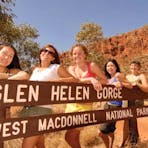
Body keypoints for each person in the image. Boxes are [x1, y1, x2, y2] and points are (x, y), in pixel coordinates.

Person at [21, 44, 76, 148]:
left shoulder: (55, 68)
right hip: (27, 109)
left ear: (53, 58)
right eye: (44, 50)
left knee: (26, 145)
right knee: (39, 143)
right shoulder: (35, 70)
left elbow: (74, 80)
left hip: (42, 110)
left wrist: (55, 81)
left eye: (50, 52)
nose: (46, 53)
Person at [65, 44, 107, 148]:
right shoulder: (71, 69)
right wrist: (90, 79)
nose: (77, 55)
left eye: (79, 53)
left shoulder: (91, 66)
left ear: (85, 54)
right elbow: (75, 81)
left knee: (69, 136)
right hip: (71, 105)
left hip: (86, 106)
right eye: (74, 53)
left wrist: (95, 79)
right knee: (75, 135)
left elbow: (105, 80)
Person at [98, 59, 132, 148]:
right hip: (107, 105)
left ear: (116, 67)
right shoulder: (108, 78)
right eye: (108, 66)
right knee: (110, 131)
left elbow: (130, 85)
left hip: (115, 106)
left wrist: (122, 84)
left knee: (101, 132)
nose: (109, 67)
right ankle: (111, 145)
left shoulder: (118, 75)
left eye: (112, 65)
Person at [120, 60, 148, 148]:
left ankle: (134, 141)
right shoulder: (127, 76)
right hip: (126, 101)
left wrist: (137, 84)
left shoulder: (141, 76)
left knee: (133, 120)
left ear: (139, 67)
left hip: (136, 102)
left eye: (135, 66)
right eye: (131, 66)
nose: (133, 67)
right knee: (126, 121)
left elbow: (146, 88)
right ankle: (125, 141)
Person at [0, 44, 29, 117]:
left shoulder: (12, 71)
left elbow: (25, 75)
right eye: (4, 53)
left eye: (10, 56)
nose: (7, 57)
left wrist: (7, 79)